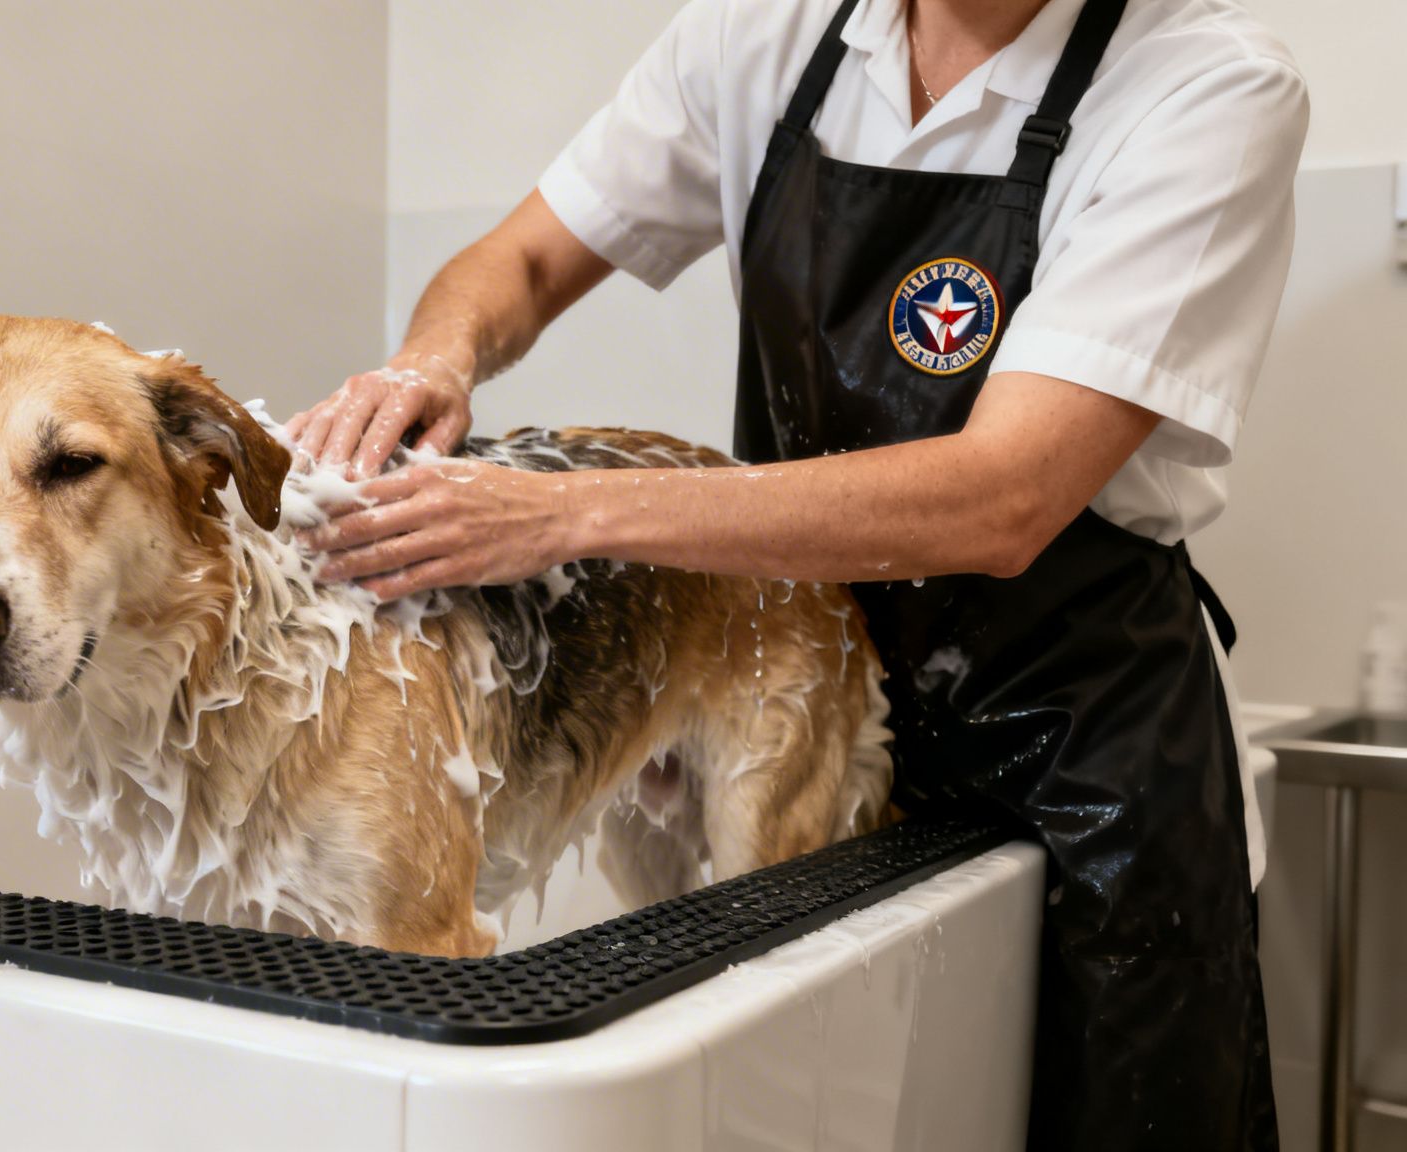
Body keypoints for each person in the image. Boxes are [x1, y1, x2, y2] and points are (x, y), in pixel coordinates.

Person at [290, 0, 1307, 1147]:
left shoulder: (1202, 82)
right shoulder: (762, 36)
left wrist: (565, 512)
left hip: (1080, 764)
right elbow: (522, 259)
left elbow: (1004, 495)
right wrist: (437, 355)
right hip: (802, 696)